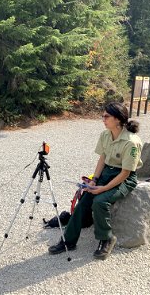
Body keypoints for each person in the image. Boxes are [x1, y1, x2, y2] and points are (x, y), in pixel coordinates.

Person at [48, 102, 143, 260]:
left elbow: (126, 172)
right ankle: (69, 241)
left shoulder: (132, 142)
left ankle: (106, 238)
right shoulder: (105, 135)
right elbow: (102, 159)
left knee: (100, 201)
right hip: (107, 173)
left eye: (107, 116)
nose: (103, 119)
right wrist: (94, 180)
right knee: (84, 200)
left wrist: (103, 188)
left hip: (124, 177)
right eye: (102, 116)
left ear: (118, 119)